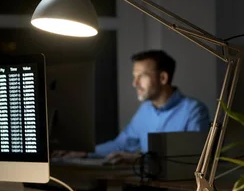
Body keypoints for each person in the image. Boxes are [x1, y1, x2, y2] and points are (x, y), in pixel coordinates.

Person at [54, 50, 210, 164]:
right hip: (144, 183)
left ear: (163, 77)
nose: (134, 83)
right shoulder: (145, 110)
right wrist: (85, 152)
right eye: (134, 77)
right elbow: (122, 144)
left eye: (141, 76)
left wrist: (140, 159)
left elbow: (194, 158)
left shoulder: (194, 111)